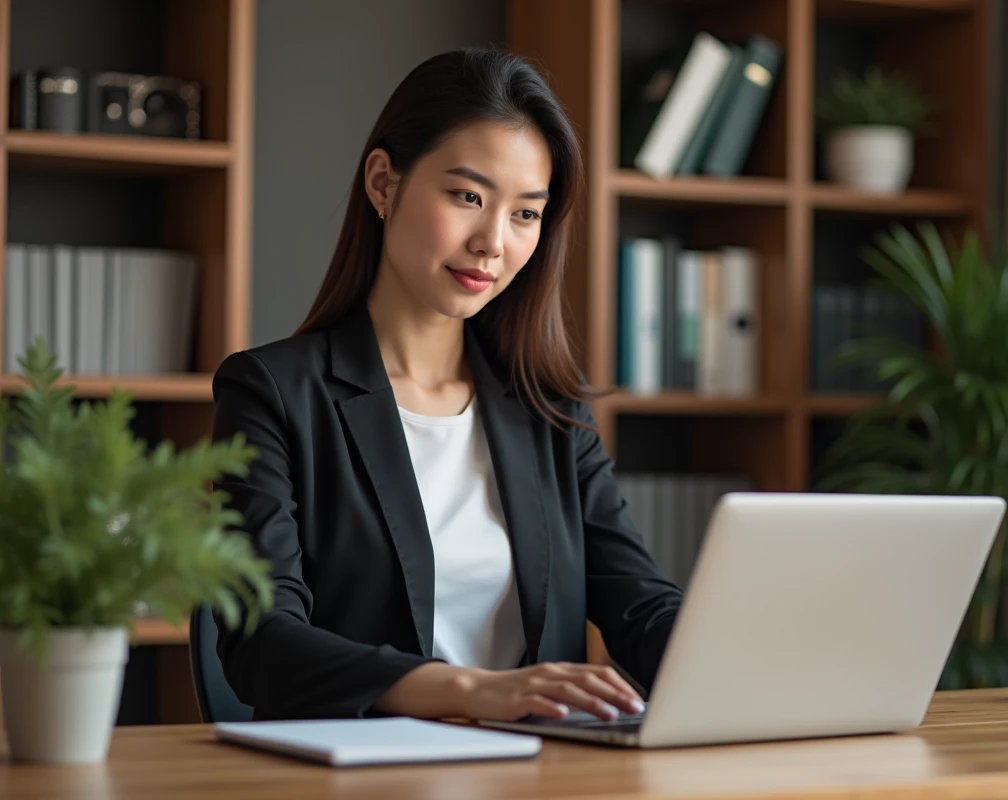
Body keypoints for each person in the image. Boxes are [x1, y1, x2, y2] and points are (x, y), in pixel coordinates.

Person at [209, 47, 682, 723]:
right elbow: (261, 642)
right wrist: (471, 690)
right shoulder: (273, 393)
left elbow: (640, 607)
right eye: (468, 197)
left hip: (546, 765)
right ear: (383, 183)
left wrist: (758, 668)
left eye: (525, 214)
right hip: (362, 765)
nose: (493, 242)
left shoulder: (547, 402)